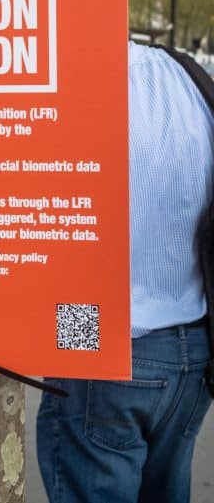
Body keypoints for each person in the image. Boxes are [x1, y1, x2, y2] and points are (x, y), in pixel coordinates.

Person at [36, 40, 214, 503]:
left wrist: (65, 351)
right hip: (192, 342)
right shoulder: (187, 76)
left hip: (104, 336)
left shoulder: (73, 80)